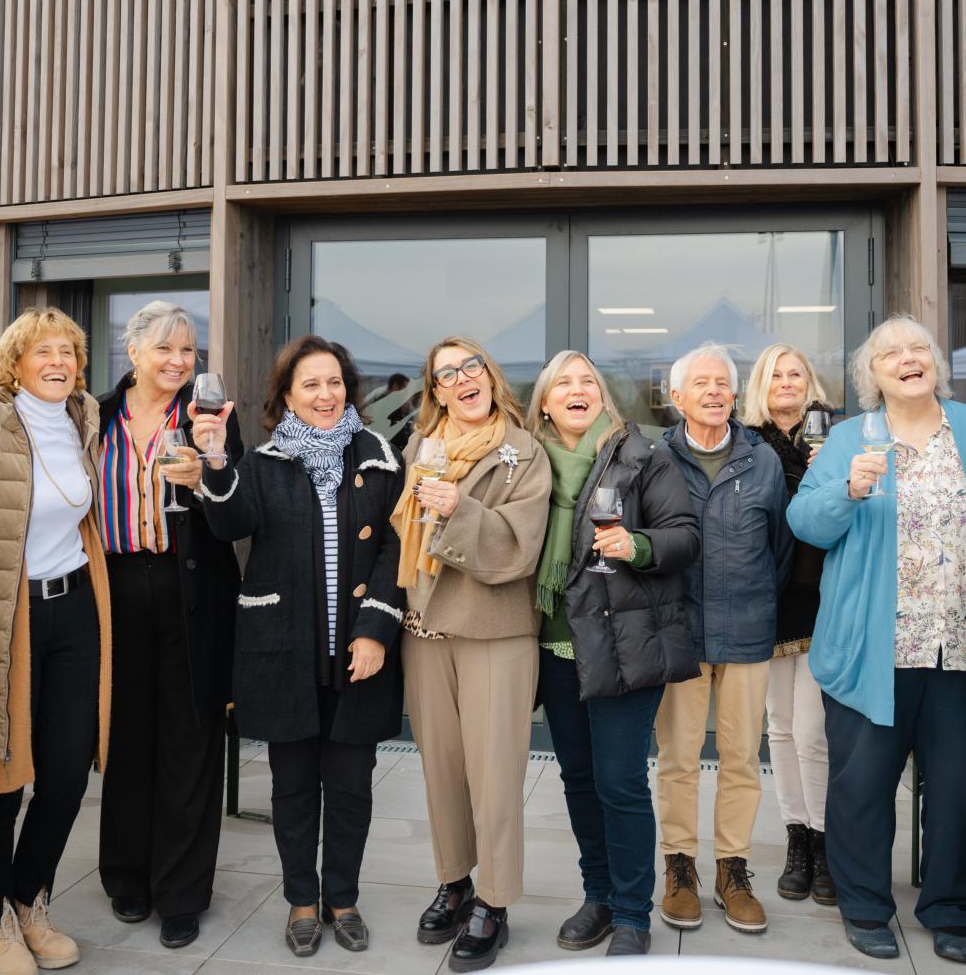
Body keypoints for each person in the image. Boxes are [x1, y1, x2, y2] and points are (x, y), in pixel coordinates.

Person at [787, 315, 966, 965]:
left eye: (918, 349)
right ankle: (866, 905)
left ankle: (951, 908)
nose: (908, 359)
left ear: (936, 362)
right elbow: (805, 522)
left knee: (961, 790)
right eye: (890, 354)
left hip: (960, 651)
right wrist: (847, 490)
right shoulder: (851, 437)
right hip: (872, 649)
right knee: (863, 785)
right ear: (872, 376)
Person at [195, 335, 406, 958]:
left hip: (358, 655)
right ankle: (302, 903)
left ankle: (343, 899)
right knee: (291, 789)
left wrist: (375, 630)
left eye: (334, 382)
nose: (325, 394)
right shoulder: (263, 463)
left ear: (349, 389)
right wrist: (215, 460)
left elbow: (396, 548)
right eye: (310, 384)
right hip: (284, 651)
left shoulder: (380, 458)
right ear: (287, 396)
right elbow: (230, 524)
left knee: (351, 788)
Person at [0, 309, 114, 974]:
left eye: (68, 352)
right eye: (42, 352)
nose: (58, 363)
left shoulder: (83, 420)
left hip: (74, 607)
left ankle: (29, 900)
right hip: (4, 613)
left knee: (68, 772)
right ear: (14, 363)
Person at [528, 350, 700, 957]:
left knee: (619, 782)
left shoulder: (643, 455)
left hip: (624, 644)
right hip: (555, 645)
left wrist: (639, 545)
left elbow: (685, 536)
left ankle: (631, 912)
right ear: (544, 404)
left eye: (588, 381)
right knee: (578, 778)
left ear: (602, 396)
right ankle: (597, 896)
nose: (577, 390)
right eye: (563, 383)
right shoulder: (529, 463)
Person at [392, 337, 551, 973]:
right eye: (447, 374)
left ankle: (495, 901)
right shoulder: (420, 448)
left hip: (494, 630)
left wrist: (459, 509)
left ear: (489, 375)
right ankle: (455, 881)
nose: (463, 379)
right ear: (436, 392)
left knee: (494, 776)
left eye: (471, 366)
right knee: (441, 771)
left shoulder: (524, 451)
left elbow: (520, 546)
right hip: (424, 628)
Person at [95, 301, 242, 949]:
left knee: (190, 739)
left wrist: (210, 473)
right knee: (126, 736)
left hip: (192, 588)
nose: (180, 361)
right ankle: (127, 873)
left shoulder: (209, 418)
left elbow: (237, 516)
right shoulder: (95, 415)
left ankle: (182, 892)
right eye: (165, 349)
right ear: (133, 352)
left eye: (188, 350)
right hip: (117, 586)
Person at [653, 343, 792, 934]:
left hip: (747, 629)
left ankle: (732, 870)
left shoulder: (763, 461)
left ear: (735, 395)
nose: (714, 392)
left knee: (741, 759)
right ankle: (679, 867)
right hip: (679, 633)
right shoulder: (655, 459)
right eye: (701, 383)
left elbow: (780, 549)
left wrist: (756, 601)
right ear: (677, 396)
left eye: (723, 384)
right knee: (678, 759)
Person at [744, 344, 837, 906]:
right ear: (762, 384)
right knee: (779, 727)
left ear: (809, 381)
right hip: (769, 597)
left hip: (825, 595)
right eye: (775, 374)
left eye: (795, 373)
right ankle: (796, 839)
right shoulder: (747, 441)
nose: (785, 382)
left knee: (812, 731)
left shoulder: (837, 435)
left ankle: (824, 842)